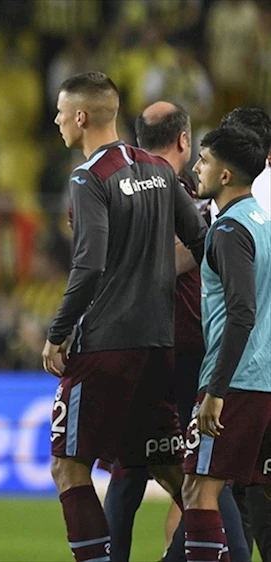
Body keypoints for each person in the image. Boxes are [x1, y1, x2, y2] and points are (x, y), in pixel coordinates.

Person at [42, 72, 208, 562]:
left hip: (106, 345)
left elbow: (89, 264)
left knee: (68, 466)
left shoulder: (87, 177)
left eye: (60, 112)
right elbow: (202, 241)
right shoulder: (159, 170)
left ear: (80, 117)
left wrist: (57, 332)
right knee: (172, 471)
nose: (56, 121)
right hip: (158, 346)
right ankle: (222, 550)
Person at [98, 102, 250, 562]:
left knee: (132, 473)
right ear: (184, 140)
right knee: (206, 473)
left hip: (129, 345)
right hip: (187, 350)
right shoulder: (188, 192)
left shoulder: (107, 184)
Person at [181, 125, 271, 562]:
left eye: (204, 160)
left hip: (236, 382)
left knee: (199, 489)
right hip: (264, 379)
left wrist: (216, 391)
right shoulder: (264, 223)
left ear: (225, 174)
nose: (196, 167)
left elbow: (241, 313)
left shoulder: (230, 230)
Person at [218, 106, 271, 562]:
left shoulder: (243, 208)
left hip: (247, 368)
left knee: (217, 484)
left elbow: (241, 307)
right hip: (259, 365)